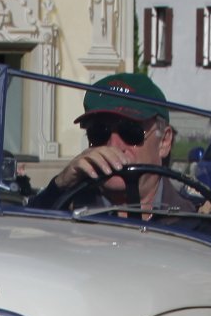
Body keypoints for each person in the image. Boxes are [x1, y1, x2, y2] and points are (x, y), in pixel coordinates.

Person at [28, 72, 199, 222]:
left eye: (130, 131)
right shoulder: (67, 209)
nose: (113, 145)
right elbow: (28, 230)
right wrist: (60, 186)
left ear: (164, 142)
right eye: (98, 133)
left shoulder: (196, 217)